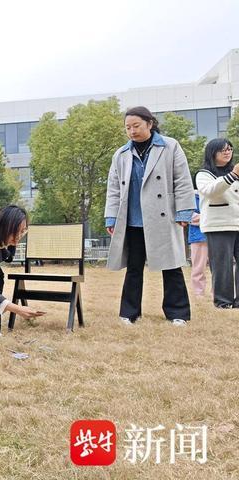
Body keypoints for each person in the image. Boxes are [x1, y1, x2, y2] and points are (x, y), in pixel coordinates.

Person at [104, 106, 195, 326]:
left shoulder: (170, 146)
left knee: (171, 266)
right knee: (134, 268)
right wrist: (111, 217)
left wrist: (184, 211)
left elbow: (182, 181)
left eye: (136, 126)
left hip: (163, 217)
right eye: (128, 127)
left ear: (150, 123)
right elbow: (113, 188)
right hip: (133, 219)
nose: (132, 131)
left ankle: (178, 313)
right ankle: (129, 312)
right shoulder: (121, 154)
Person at [195, 139, 239, 308]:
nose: (227, 152)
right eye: (223, 150)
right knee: (222, 265)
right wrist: (233, 175)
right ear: (212, 153)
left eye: (229, 149)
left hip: (237, 222)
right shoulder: (204, 174)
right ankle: (223, 301)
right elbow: (210, 191)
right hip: (219, 225)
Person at [188, 190, 208, 297]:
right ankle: (198, 293)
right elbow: (189, 216)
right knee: (198, 267)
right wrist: (209, 216)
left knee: (219, 267)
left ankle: (218, 293)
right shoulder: (192, 196)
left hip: (216, 235)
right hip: (197, 237)